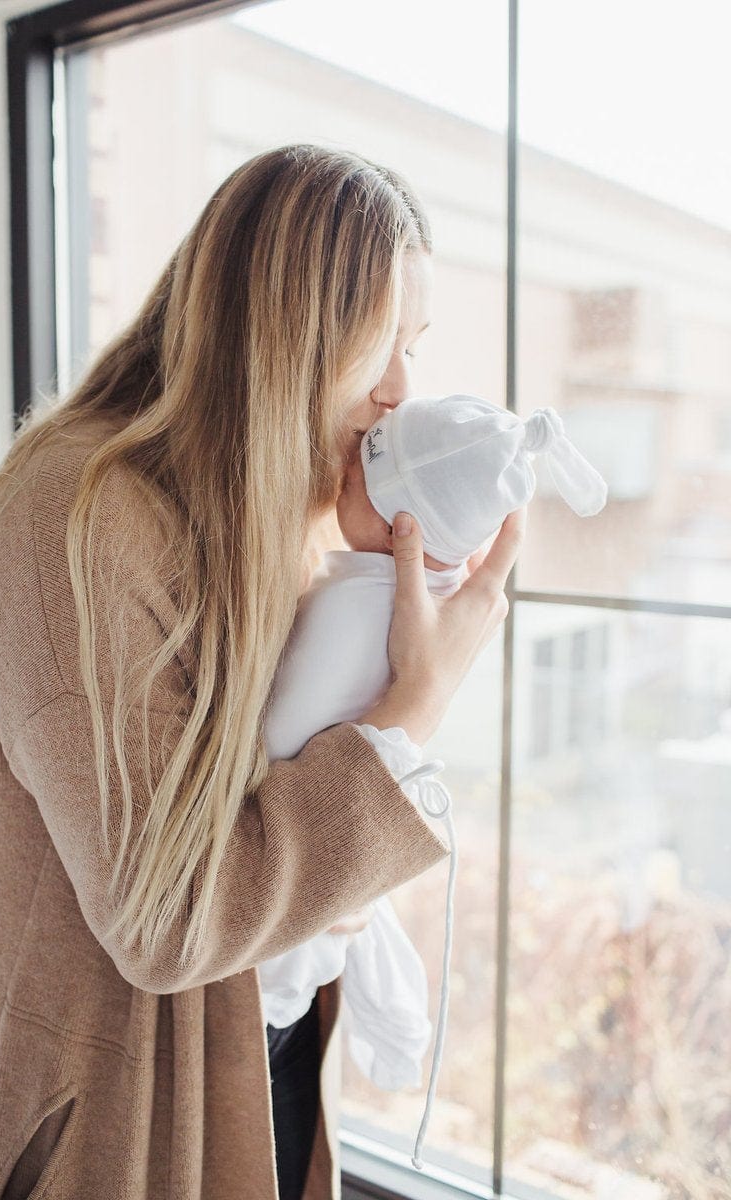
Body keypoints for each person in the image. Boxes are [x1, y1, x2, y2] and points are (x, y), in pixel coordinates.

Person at [0, 143, 525, 1200]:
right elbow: (168, 921)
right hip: (113, 1122)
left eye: (415, 347)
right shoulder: (74, 525)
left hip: (259, 1065)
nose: (398, 389)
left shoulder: (266, 506)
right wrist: (409, 710)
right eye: (375, 341)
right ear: (281, 332)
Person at [259, 392, 607, 1178]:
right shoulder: (437, 605)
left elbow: (277, 743)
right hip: (323, 873)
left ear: (397, 526)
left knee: (326, 955)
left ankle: (372, 1024)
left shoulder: (357, 611)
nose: (341, 467)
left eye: (355, 474)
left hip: (276, 933)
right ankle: (390, 1030)